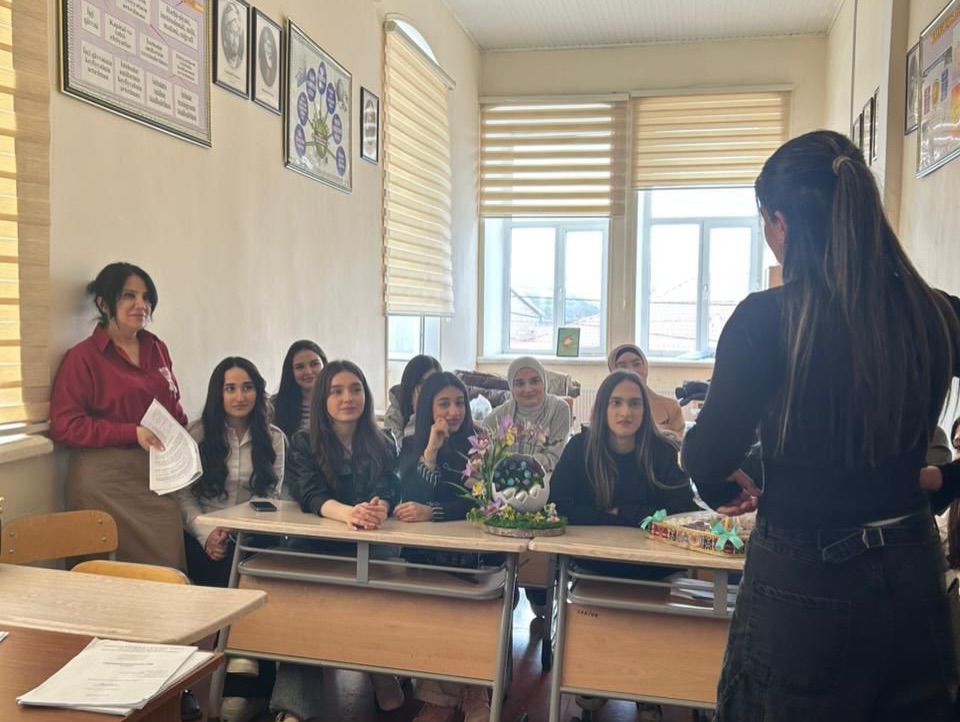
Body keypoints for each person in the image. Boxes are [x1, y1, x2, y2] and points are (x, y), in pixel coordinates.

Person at [682, 130, 960, 721]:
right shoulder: (936, 312)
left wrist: (720, 483)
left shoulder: (766, 320)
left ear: (781, 223)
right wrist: (949, 480)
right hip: (913, 566)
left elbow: (707, 456)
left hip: (804, 578)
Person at [273, 360, 403, 722]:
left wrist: (379, 507)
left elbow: (390, 486)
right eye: (337, 391)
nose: (348, 398)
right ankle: (294, 707)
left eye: (355, 389)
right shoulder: (303, 442)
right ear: (322, 399)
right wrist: (350, 514)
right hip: (319, 543)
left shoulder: (384, 440)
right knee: (305, 607)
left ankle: (380, 670)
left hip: (372, 541)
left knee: (380, 592)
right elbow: (310, 494)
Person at [50, 262, 188, 570]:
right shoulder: (83, 358)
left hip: (155, 476)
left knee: (169, 566)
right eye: (129, 296)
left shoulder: (157, 348)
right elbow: (65, 426)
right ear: (103, 303)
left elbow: (172, 404)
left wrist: (181, 431)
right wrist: (131, 432)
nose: (141, 304)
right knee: (103, 573)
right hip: (104, 480)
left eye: (146, 297)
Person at [175, 357, 284, 722]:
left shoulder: (274, 438)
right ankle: (236, 676)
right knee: (224, 564)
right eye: (230, 388)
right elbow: (183, 496)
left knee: (254, 564)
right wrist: (207, 533)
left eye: (247, 387)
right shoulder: (197, 434)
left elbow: (273, 497)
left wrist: (240, 528)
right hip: (205, 535)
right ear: (217, 393)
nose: (240, 396)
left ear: (258, 391)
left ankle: (245, 671)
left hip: (253, 533)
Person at [395, 371, 491, 722]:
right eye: (444, 404)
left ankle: (474, 689)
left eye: (460, 403)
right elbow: (409, 501)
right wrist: (432, 452)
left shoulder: (480, 443)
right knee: (433, 614)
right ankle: (438, 697)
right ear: (428, 408)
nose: (454, 411)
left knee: (473, 611)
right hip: (428, 554)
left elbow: (480, 502)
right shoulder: (412, 444)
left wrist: (433, 512)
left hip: (474, 554)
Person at [551, 369, 698, 528]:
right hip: (586, 542)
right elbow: (557, 507)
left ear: (645, 410)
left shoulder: (662, 449)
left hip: (645, 542)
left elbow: (683, 510)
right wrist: (629, 518)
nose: (626, 412)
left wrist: (622, 512)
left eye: (635, 403)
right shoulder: (579, 447)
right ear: (603, 408)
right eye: (616, 403)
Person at [483, 357, 571, 473]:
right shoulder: (496, 417)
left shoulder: (558, 409)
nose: (528, 389)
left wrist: (518, 464)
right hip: (504, 481)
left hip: (548, 480)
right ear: (511, 387)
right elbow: (486, 459)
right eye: (520, 384)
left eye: (534, 381)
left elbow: (555, 457)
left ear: (544, 382)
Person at [607, 343, 685, 438]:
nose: (632, 371)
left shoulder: (670, 408)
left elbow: (677, 443)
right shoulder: (602, 408)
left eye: (637, 364)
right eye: (622, 366)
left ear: (646, 367)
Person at [271, 340, 327, 440]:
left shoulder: (338, 400)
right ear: (290, 371)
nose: (308, 372)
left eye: (314, 364)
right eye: (300, 367)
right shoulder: (274, 406)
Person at [383, 354, 441, 445]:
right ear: (412, 384)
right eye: (424, 383)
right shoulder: (394, 414)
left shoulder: (443, 407)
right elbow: (402, 451)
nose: (431, 388)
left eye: (435, 382)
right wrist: (418, 415)